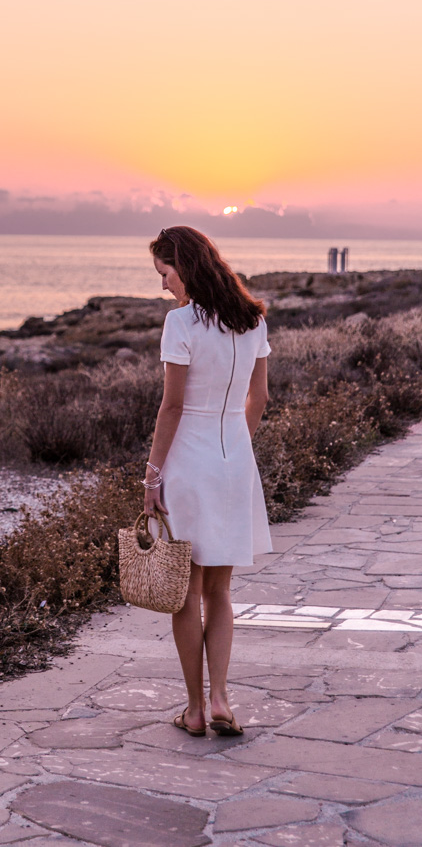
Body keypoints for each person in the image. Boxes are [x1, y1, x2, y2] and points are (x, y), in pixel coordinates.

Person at [143, 225, 271, 737]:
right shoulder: (252, 320)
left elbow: (172, 406)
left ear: (186, 266)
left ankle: (195, 709)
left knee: (185, 591)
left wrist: (153, 476)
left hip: (189, 464)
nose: (164, 285)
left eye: (165, 273)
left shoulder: (182, 323)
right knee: (220, 590)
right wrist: (235, 447)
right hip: (234, 462)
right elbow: (258, 400)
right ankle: (221, 699)